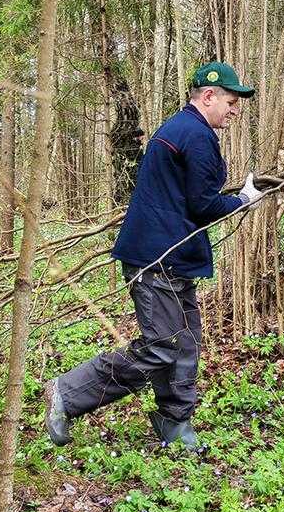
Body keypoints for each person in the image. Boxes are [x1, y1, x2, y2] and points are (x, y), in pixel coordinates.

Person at [44, 61, 263, 450]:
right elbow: (203, 205)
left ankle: (173, 422)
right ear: (208, 96)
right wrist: (244, 200)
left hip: (167, 257)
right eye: (231, 102)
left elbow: (183, 196)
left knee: (185, 342)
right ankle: (67, 392)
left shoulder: (180, 129)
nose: (235, 111)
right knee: (163, 346)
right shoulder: (196, 135)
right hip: (157, 260)